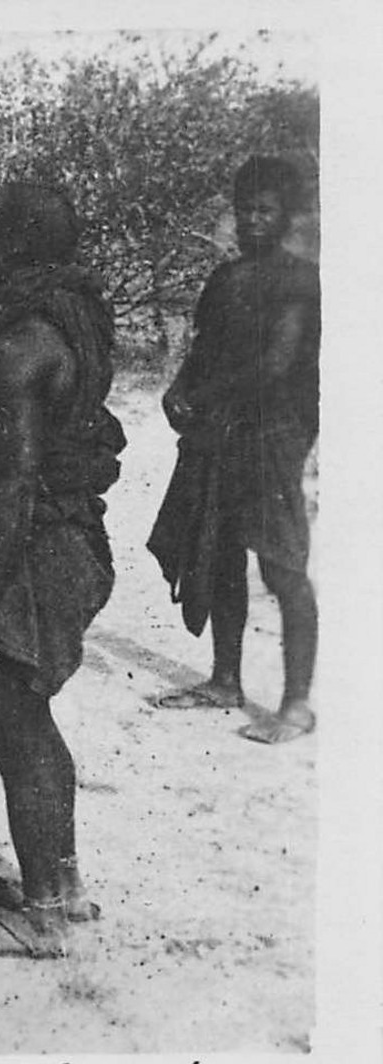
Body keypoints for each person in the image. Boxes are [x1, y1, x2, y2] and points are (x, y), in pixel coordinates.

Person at [0, 182, 125, 958]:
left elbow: (12, 489)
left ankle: (43, 911)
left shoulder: (18, 348)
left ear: (10, 250)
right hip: (60, 540)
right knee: (27, 715)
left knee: (16, 717)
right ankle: (61, 888)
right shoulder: (68, 317)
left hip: (31, 552)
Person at [146, 156, 320, 745]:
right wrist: (178, 391)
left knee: (280, 564)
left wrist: (209, 397)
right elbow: (203, 349)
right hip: (220, 431)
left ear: (287, 216)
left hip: (272, 433)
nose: (251, 221)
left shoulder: (299, 281)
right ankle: (225, 681)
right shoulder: (226, 280)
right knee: (218, 550)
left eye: (264, 210)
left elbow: (277, 365)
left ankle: (296, 704)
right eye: (244, 209)